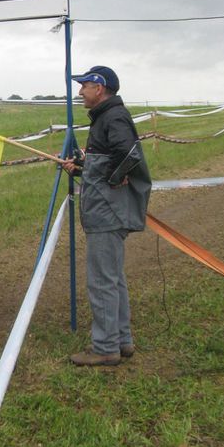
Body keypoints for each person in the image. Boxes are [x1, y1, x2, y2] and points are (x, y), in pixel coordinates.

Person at [62, 65, 152, 367]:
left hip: (107, 210)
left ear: (99, 87)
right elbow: (110, 158)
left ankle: (105, 347)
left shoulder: (113, 116)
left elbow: (128, 155)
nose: (80, 91)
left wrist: (112, 179)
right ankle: (122, 341)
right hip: (107, 207)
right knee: (113, 279)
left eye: (84, 85)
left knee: (102, 281)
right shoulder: (108, 117)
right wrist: (82, 167)